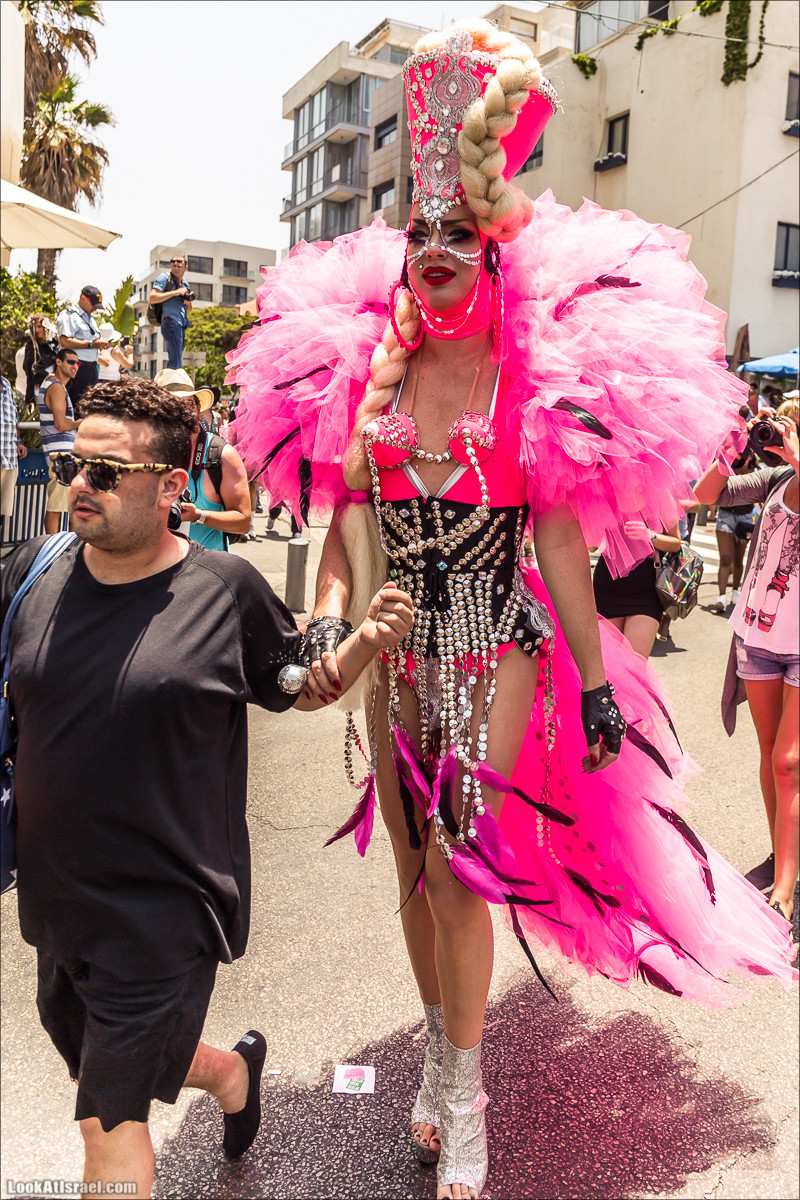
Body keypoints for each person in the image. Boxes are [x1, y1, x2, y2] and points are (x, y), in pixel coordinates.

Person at [227, 22, 796, 1198]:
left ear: (493, 256)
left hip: (499, 650)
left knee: (458, 869)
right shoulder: (369, 383)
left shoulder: (526, 381)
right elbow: (344, 527)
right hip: (395, 657)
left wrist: (592, 681)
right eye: (418, 234)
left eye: (458, 234)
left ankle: (468, 1101)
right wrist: (332, 615)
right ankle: (438, 1060)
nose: (434, 249)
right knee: (403, 866)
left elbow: (553, 543)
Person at [0, 376, 413, 1200]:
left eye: (107, 473)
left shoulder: (223, 593)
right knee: (103, 1058)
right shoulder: (33, 570)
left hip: (166, 907)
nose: (82, 485)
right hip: (56, 901)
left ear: (169, 488)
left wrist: (364, 641)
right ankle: (230, 1075)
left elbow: (297, 683)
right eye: (77, 464)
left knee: (109, 1124)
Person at [694, 403, 799, 929]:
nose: (784, 436)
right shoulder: (778, 476)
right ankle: (784, 854)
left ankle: (785, 887)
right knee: (769, 754)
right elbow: (706, 495)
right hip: (758, 636)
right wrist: (731, 448)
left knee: (789, 761)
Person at [154, 368, 250, 549]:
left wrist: (199, 515)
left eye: (186, 405)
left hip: (207, 571)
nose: (180, 413)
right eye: (170, 406)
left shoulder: (222, 455)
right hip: (157, 570)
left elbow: (243, 521)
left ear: (198, 410)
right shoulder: (144, 453)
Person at [593, 519, 682, 657]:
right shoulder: (605, 498)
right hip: (607, 589)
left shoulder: (660, 499)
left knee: (634, 666)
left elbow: (676, 544)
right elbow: (591, 546)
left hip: (646, 593)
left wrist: (650, 535)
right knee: (608, 665)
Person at [36, 346, 81, 535]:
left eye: (77, 363)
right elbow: (61, 424)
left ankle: (69, 548)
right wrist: (82, 422)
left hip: (62, 454)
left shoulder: (54, 385)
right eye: (70, 361)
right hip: (61, 455)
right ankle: (53, 552)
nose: (75, 366)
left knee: (70, 505)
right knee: (57, 506)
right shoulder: (55, 386)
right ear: (58, 362)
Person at [711, 446, 759, 612]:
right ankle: (721, 596)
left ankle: (736, 591)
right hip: (725, 515)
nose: (741, 456)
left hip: (745, 518)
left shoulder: (756, 470)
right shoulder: (728, 466)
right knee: (725, 559)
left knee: (738, 560)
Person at [57, 285, 109, 404]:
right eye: (93, 305)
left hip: (91, 369)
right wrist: (92, 344)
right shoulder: (69, 315)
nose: (95, 309)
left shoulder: (91, 319)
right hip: (77, 369)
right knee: (76, 407)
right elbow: (65, 341)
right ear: (83, 299)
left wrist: (101, 345)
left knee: (89, 407)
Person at [149, 254, 193, 369]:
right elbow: (152, 298)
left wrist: (187, 300)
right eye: (174, 266)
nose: (176, 269)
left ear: (185, 268)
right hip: (170, 322)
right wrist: (176, 292)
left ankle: (172, 383)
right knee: (175, 362)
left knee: (177, 358)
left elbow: (189, 309)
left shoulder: (185, 284)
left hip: (181, 324)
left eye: (179, 266)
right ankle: (173, 385)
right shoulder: (164, 278)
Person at [1, 373, 27, 545]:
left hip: (8, 456)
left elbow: (13, 418)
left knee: (2, 511)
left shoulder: (5, 383)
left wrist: (18, 441)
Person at [22, 312, 61, 405]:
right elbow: (28, 367)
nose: (37, 330)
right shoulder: (31, 346)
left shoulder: (55, 344)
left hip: (56, 384)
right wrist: (46, 374)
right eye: (34, 327)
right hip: (37, 386)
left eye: (39, 326)